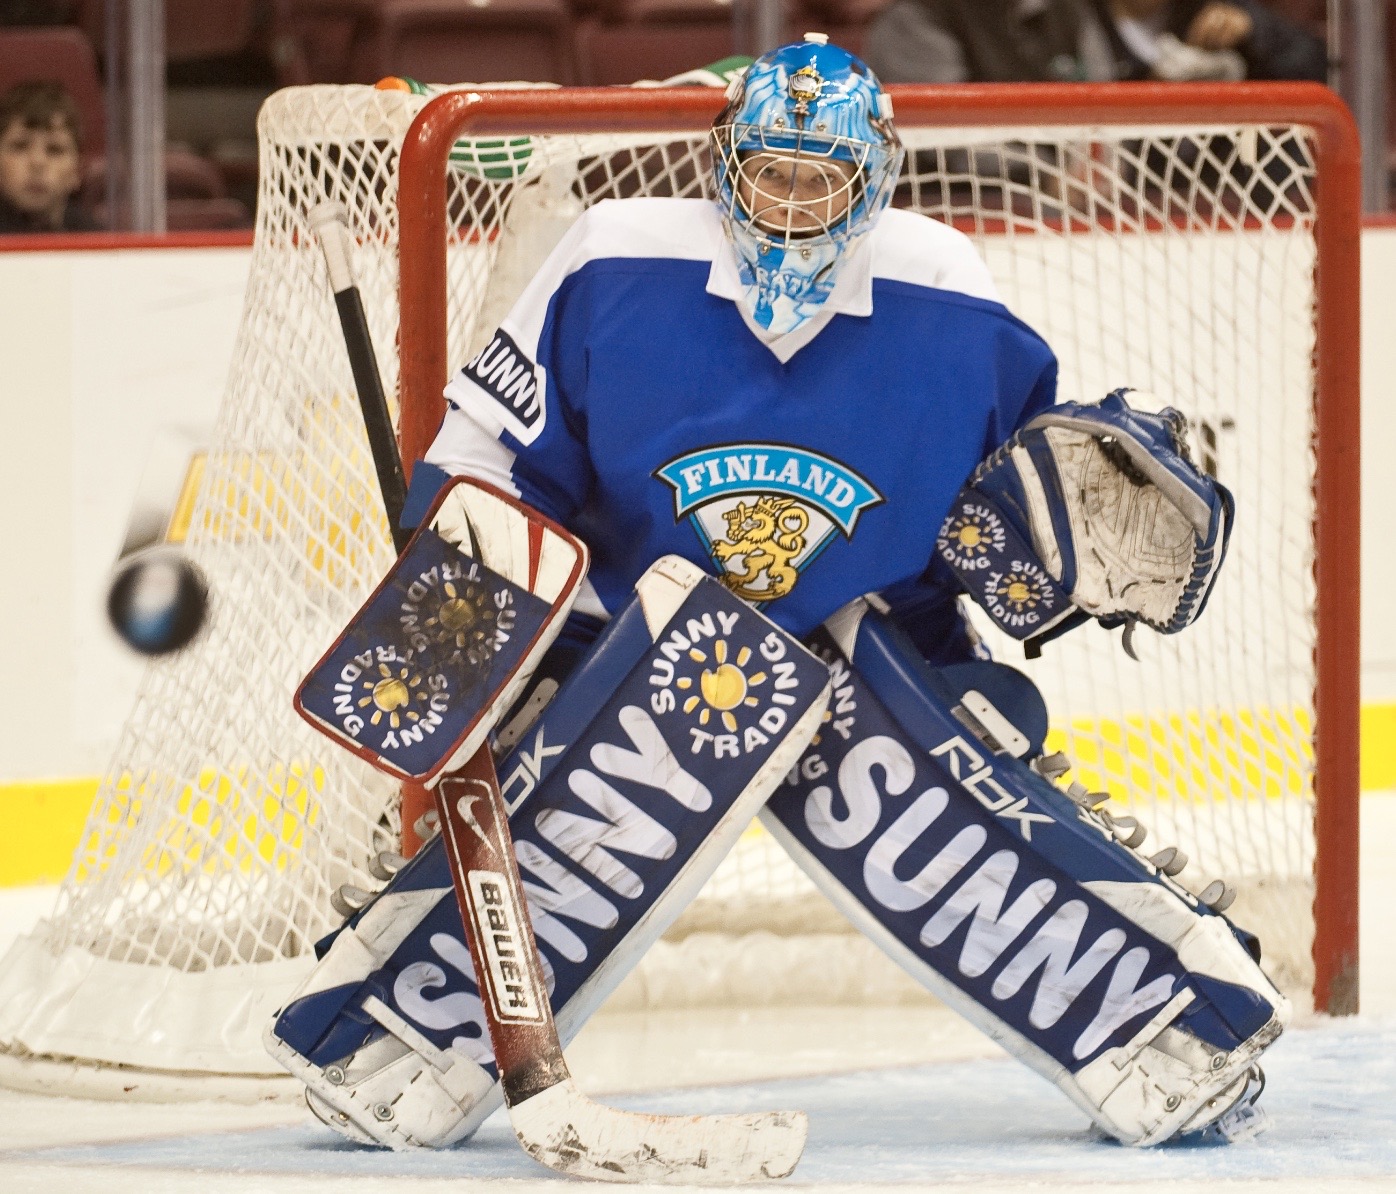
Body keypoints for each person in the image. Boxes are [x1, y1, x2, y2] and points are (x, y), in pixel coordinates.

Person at [415, 33, 1056, 668]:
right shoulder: (612, 258)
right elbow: (480, 461)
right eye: (770, 172)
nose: (790, 205)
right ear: (728, 163)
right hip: (619, 658)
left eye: (822, 179)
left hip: (873, 663)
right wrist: (468, 616)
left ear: (871, 183)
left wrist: (1058, 539)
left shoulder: (941, 282)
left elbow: (1008, 511)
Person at [865, 0, 1325, 85]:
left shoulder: (1220, 9)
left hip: (1207, 210)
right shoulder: (1072, 13)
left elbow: (1321, 71)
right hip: (1005, 212)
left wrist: (1256, 31)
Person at [0, 80, 98, 234]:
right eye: (20, 146)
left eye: (54, 150)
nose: (37, 162)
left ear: (78, 170)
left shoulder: (99, 240)